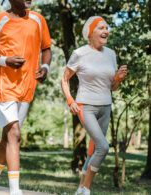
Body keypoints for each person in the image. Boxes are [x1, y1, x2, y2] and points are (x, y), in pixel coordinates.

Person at [0, 0, 52, 194]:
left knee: (8, 138)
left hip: (27, 87)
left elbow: (46, 48)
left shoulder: (38, 19)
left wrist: (45, 67)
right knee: (15, 134)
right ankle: (15, 190)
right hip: (4, 85)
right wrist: (4, 60)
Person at [61, 16, 128, 195]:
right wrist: (70, 100)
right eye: (100, 27)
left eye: (107, 27)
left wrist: (118, 79)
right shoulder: (80, 53)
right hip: (86, 106)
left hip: (105, 107)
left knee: (93, 149)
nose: (106, 30)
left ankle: (79, 189)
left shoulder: (111, 54)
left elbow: (111, 87)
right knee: (103, 147)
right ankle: (86, 189)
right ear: (90, 32)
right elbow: (64, 79)